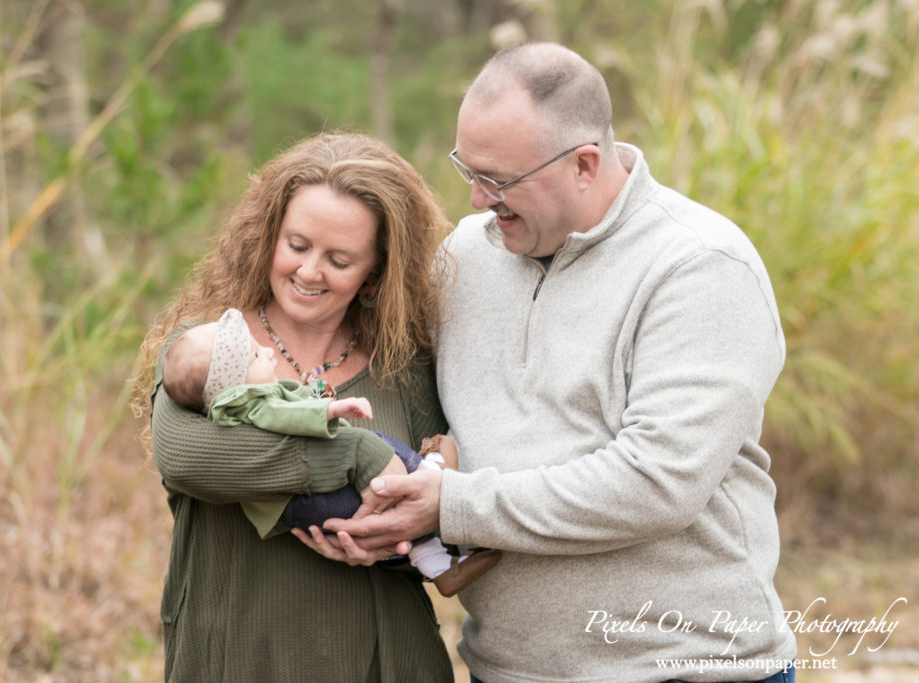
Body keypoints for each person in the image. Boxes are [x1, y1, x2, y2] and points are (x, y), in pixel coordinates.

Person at [322, 43, 797, 682]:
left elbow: (657, 482)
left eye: (499, 179)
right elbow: (385, 384)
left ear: (584, 164)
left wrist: (451, 506)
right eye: (468, 168)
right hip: (507, 668)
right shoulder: (466, 254)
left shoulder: (700, 267)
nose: (475, 199)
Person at [132, 132, 459, 681]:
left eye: (339, 258)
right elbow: (185, 458)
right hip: (232, 652)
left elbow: (442, 494)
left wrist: (390, 534)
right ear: (269, 238)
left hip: (383, 658)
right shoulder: (206, 349)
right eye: (298, 245)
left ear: (373, 275)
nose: (309, 272)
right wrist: (352, 453)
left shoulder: (404, 366)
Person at [160, 307, 502, 596]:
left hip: (302, 512)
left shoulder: (231, 407)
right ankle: (432, 474)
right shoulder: (254, 403)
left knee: (392, 520)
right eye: (254, 355)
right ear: (235, 389)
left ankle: (440, 563)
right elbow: (285, 416)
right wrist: (330, 413)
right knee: (378, 447)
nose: (266, 351)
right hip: (309, 504)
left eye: (340, 260)